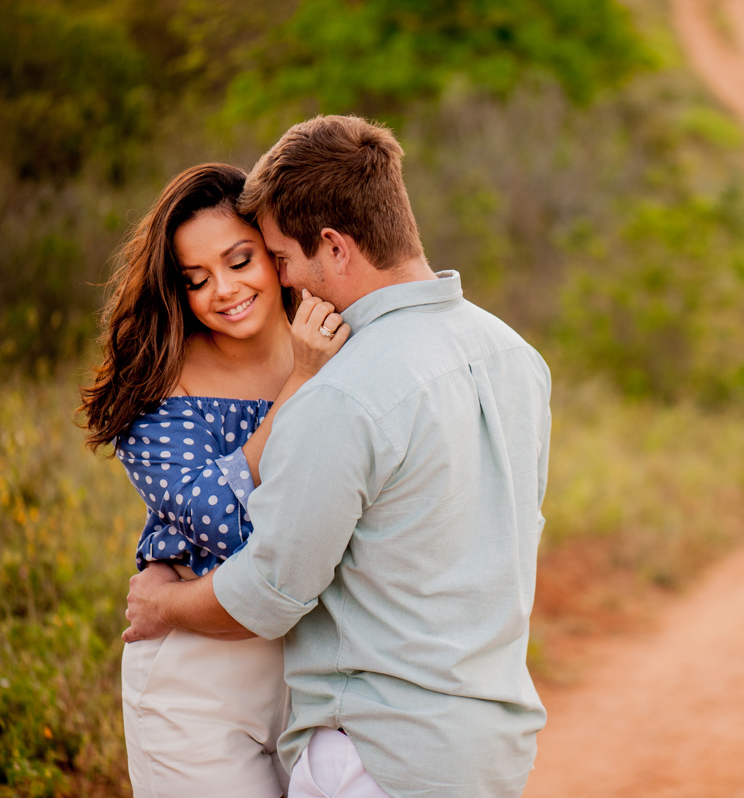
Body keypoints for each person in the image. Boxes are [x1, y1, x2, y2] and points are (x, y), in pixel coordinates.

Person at [121, 115, 552, 798]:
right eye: (199, 277)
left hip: (377, 747)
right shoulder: (516, 356)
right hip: (488, 742)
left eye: (271, 258)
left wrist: (164, 605)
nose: (275, 278)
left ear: (333, 246)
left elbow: (269, 591)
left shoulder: (345, 390)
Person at [80, 163, 351, 797]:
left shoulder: (338, 340)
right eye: (196, 279)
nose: (224, 290)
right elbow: (226, 526)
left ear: (276, 255)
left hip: (318, 672)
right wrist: (298, 386)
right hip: (200, 676)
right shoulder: (158, 387)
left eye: (240, 261)